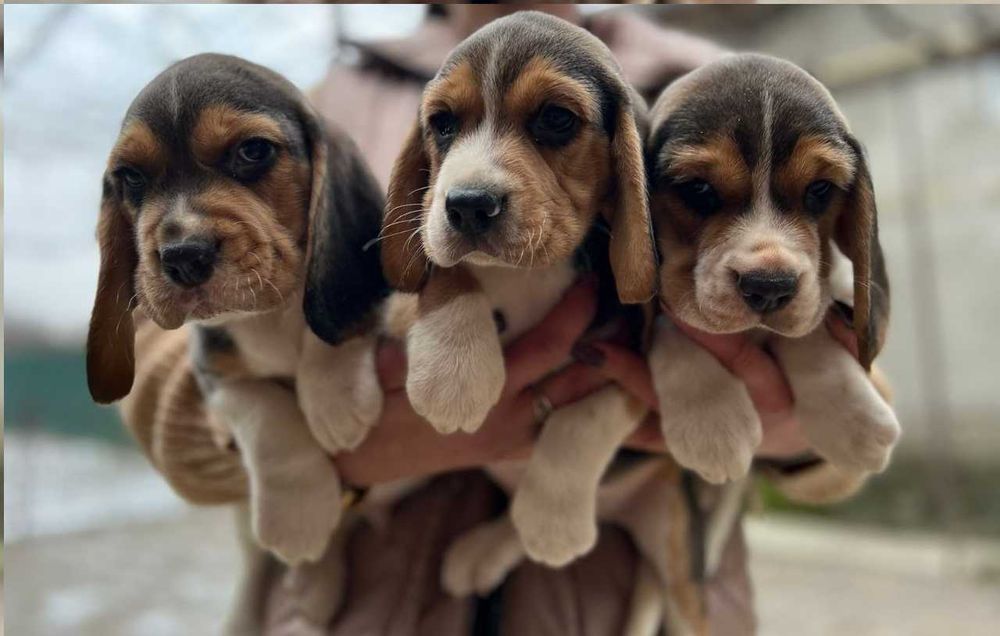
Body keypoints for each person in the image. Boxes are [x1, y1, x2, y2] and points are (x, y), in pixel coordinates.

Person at [122, 5, 874, 634]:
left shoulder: (706, 84)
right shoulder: (324, 97)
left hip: (629, 591)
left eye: (555, 120)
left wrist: (798, 425)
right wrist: (306, 447)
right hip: (359, 603)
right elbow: (169, 336)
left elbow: (850, 384)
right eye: (446, 126)